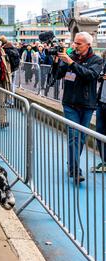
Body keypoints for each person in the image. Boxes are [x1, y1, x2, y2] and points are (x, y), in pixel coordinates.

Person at [54, 32, 103, 182]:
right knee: (74, 137)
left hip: (87, 105)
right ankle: (75, 170)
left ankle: (71, 164)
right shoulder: (71, 57)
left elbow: (89, 75)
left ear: (88, 45)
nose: (75, 46)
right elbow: (57, 75)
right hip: (70, 104)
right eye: (74, 42)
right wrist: (57, 61)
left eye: (79, 43)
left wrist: (71, 63)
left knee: (81, 138)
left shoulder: (97, 60)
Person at [92, 52, 106, 173]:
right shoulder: (104, 62)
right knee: (99, 133)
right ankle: (104, 161)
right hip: (102, 102)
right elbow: (100, 77)